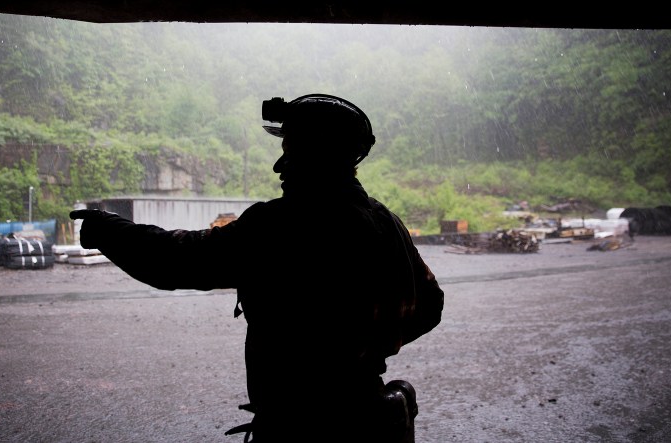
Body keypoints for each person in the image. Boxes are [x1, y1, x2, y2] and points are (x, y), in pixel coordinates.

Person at [70, 93, 445, 442]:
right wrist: (360, 350)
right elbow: (430, 306)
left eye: (290, 150)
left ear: (319, 153)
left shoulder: (281, 224)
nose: (279, 165)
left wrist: (107, 229)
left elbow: (177, 260)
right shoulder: (387, 223)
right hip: (369, 412)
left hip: (297, 424)